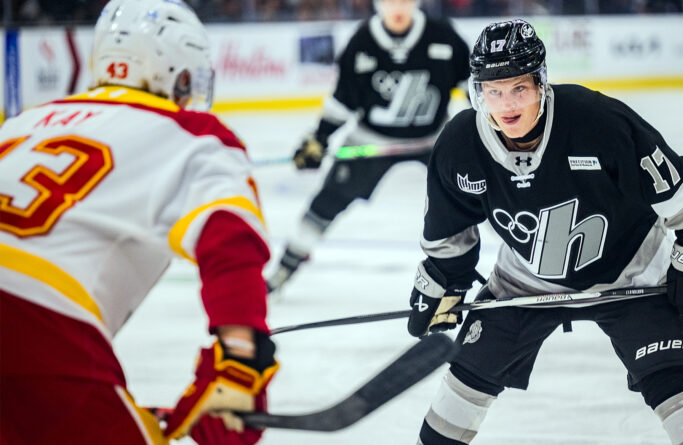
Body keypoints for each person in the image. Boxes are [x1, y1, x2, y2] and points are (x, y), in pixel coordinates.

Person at [407, 20, 683, 445]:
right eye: (494, 91)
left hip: (631, 275)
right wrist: (440, 283)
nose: (506, 103)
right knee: (464, 384)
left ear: (541, 84)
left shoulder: (597, 121)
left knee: (678, 388)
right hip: (522, 282)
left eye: (519, 89)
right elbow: (448, 232)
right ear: (478, 92)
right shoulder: (460, 144)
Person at [0, 1, 277, 444]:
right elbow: (230, 234)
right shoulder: (194, 132)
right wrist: (240, 362)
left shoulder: (20, 124)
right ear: (179, 72)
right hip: (38, 324)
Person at [267, 0, 471, 292]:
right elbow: (342, 100)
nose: (397, 6)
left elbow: (473, 88)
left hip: (434, 139)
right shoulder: (362, 40)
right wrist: (318, 140)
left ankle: (522, 259)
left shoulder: (443, 34)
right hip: (372, 141)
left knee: (484, 190)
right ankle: (284, 269)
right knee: (327, 202)